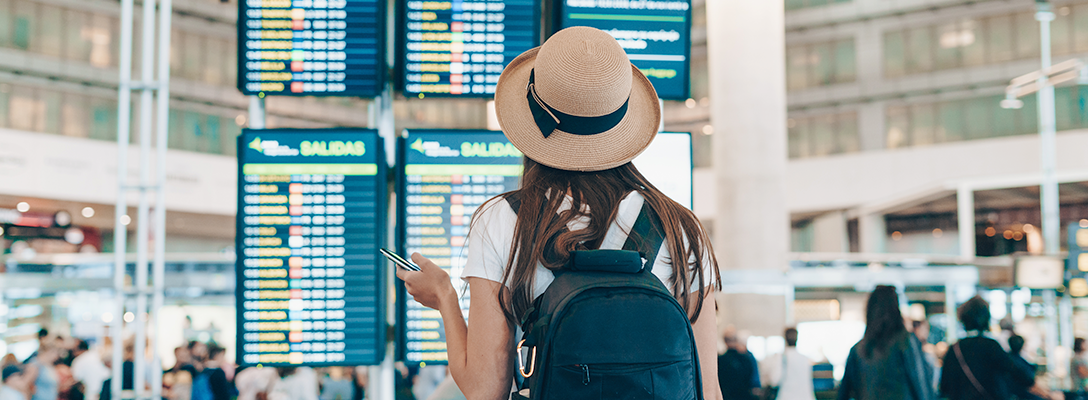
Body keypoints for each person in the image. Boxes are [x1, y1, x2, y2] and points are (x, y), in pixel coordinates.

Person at [395, 26, 722, 400]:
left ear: (531, 121)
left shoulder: (504, 219)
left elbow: (486, 390)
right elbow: (708, 391)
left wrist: (444, 297)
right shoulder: (680, 226)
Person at [838, 286, 934, 400]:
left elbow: (843, 393)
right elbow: (921, 384)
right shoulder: (906, 341)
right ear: (896, 309)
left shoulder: (858, 349)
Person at [939, 296, 1036, 400]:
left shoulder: (954, 349)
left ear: (963, 319)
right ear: (986, 319)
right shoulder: (991, 346)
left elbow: (944, 387)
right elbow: (1023, 377)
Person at [764, 328, 815, 400]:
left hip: (787, 396)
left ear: (785, 338)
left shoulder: (781, 357)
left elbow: (774, 380)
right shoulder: (805, 358)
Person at [719, 331, 759, 400]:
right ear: (737, 341)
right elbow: (752, 382)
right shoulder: (747, 360)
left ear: (724, 341)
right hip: (744, 396)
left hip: (726, 397)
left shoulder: (719, 361)